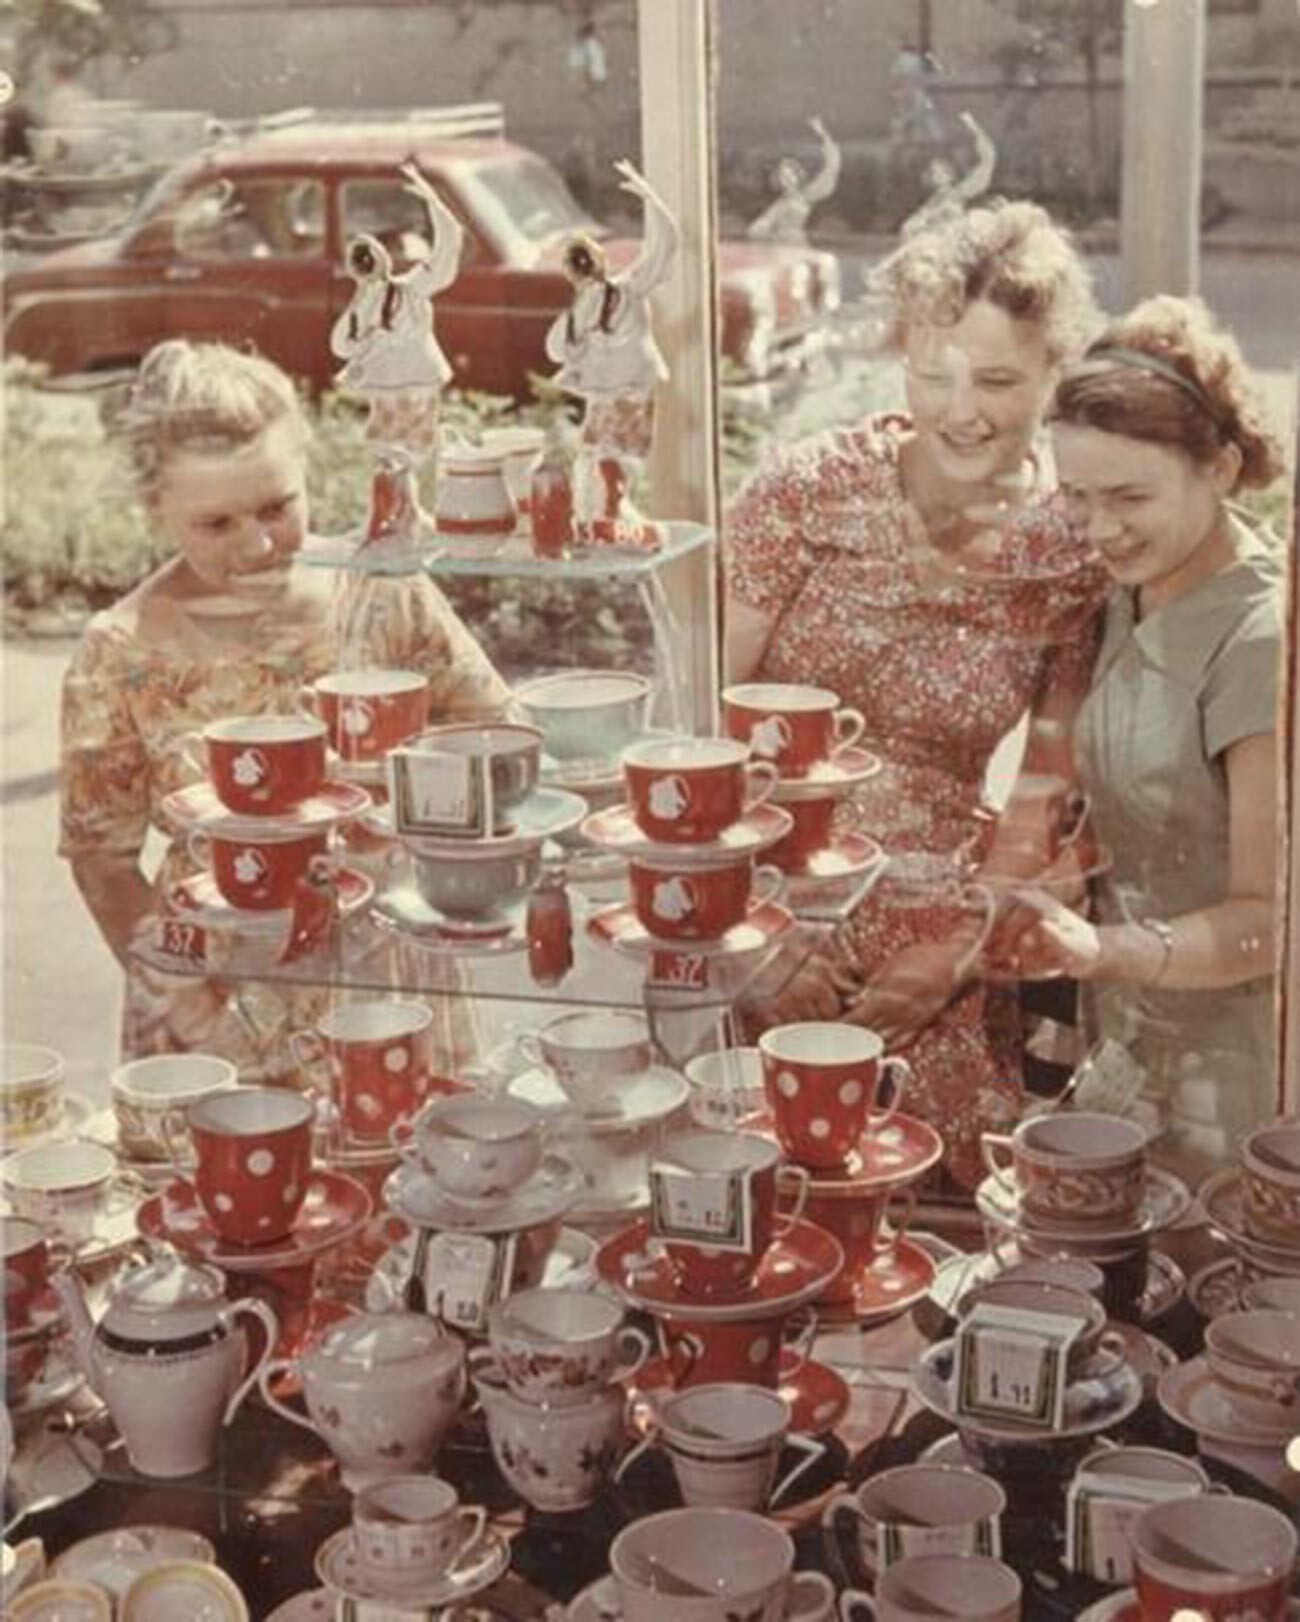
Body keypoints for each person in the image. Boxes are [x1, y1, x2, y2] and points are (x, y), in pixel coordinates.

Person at [725, 200, 1108, 1189]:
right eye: (932, 371)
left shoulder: (1070, 547)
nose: (960, 409)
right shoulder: (806, 493)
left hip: (934, 944)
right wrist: (747, 930)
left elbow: (1044, 786)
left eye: (996, 379)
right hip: (758, 905)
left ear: (1054, 376)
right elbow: (692, 731)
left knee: (918, 1207)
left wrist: (962, 953)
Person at [60, 340, 511, 1084]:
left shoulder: (381, 590)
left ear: (307, 472)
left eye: (278, 507)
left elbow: (497, 734)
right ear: (155, 510)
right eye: (217, 524)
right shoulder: (119, 650)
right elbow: (103, 863)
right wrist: (200, 1016)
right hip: (207, 1000)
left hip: (390, 980)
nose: (259, 545)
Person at [985, 297, 1285, 1181]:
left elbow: (1273, 919)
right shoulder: (1135, 584)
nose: (1098, 528)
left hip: (1238, 1073)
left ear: (1223, 468)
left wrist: (1100, 949)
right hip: (1127, 1042)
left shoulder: (1263, 637)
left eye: (1129, 497)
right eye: (1077, 496)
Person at [545, 158, 679, 541]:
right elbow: (665, 243)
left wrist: (649, 196)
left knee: (607, 451)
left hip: (621, 388)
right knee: (605, 452)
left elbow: (556, 350)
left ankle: (611, 511)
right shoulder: (623, 290)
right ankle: (608, 512)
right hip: (624, 386)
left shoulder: (592, 304)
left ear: (571, 273)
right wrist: (649, 198)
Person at [329, 159, 463, 463]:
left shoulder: (410, 290)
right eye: (361, 260)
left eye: (370, 257)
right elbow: (341, 345)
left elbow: (447, 248)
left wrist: (433, 202)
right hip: (387, 387)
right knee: (386, 454)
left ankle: (411, 496)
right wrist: (362, 309)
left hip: (416, 381)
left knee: (418, 451)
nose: (368, 265)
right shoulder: (362, 306)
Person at [747, 117, 842, 247]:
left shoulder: (807, 194)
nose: (788, 179)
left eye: (791, 174)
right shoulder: (780, 203)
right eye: (783, 176)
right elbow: (756, 229)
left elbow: (832, 165)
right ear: (778, 180)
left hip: (798, 246)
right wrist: (766, 229)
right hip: (780, 248)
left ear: (798, 176)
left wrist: (822, 134)